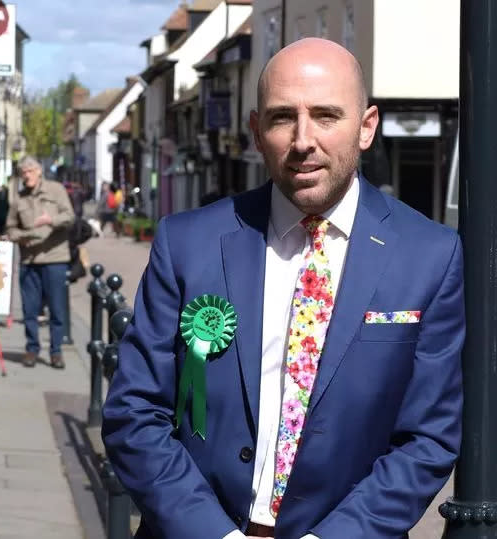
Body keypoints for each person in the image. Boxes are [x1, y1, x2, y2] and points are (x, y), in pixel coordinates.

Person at [101, 38, 465, 539]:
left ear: (366, 127)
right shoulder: (187, 243)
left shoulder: (429, 255)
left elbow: (427, 439)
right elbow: (134, 413)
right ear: (255, 131)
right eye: (281, 118)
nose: (302, 140)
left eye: (326, 116)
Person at [5, 155, 75, 369]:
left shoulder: (56, 190)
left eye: (30, 171)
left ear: (39, 171)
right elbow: (10, 228)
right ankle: (31, 348)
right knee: (30, 309)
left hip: (54, 258)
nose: (26, 176)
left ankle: (56, 351)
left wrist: (51, 221)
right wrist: (20, 236)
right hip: (29, 259)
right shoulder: (19, 198)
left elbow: (70, 216)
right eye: (23, 173)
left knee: (56, 308)